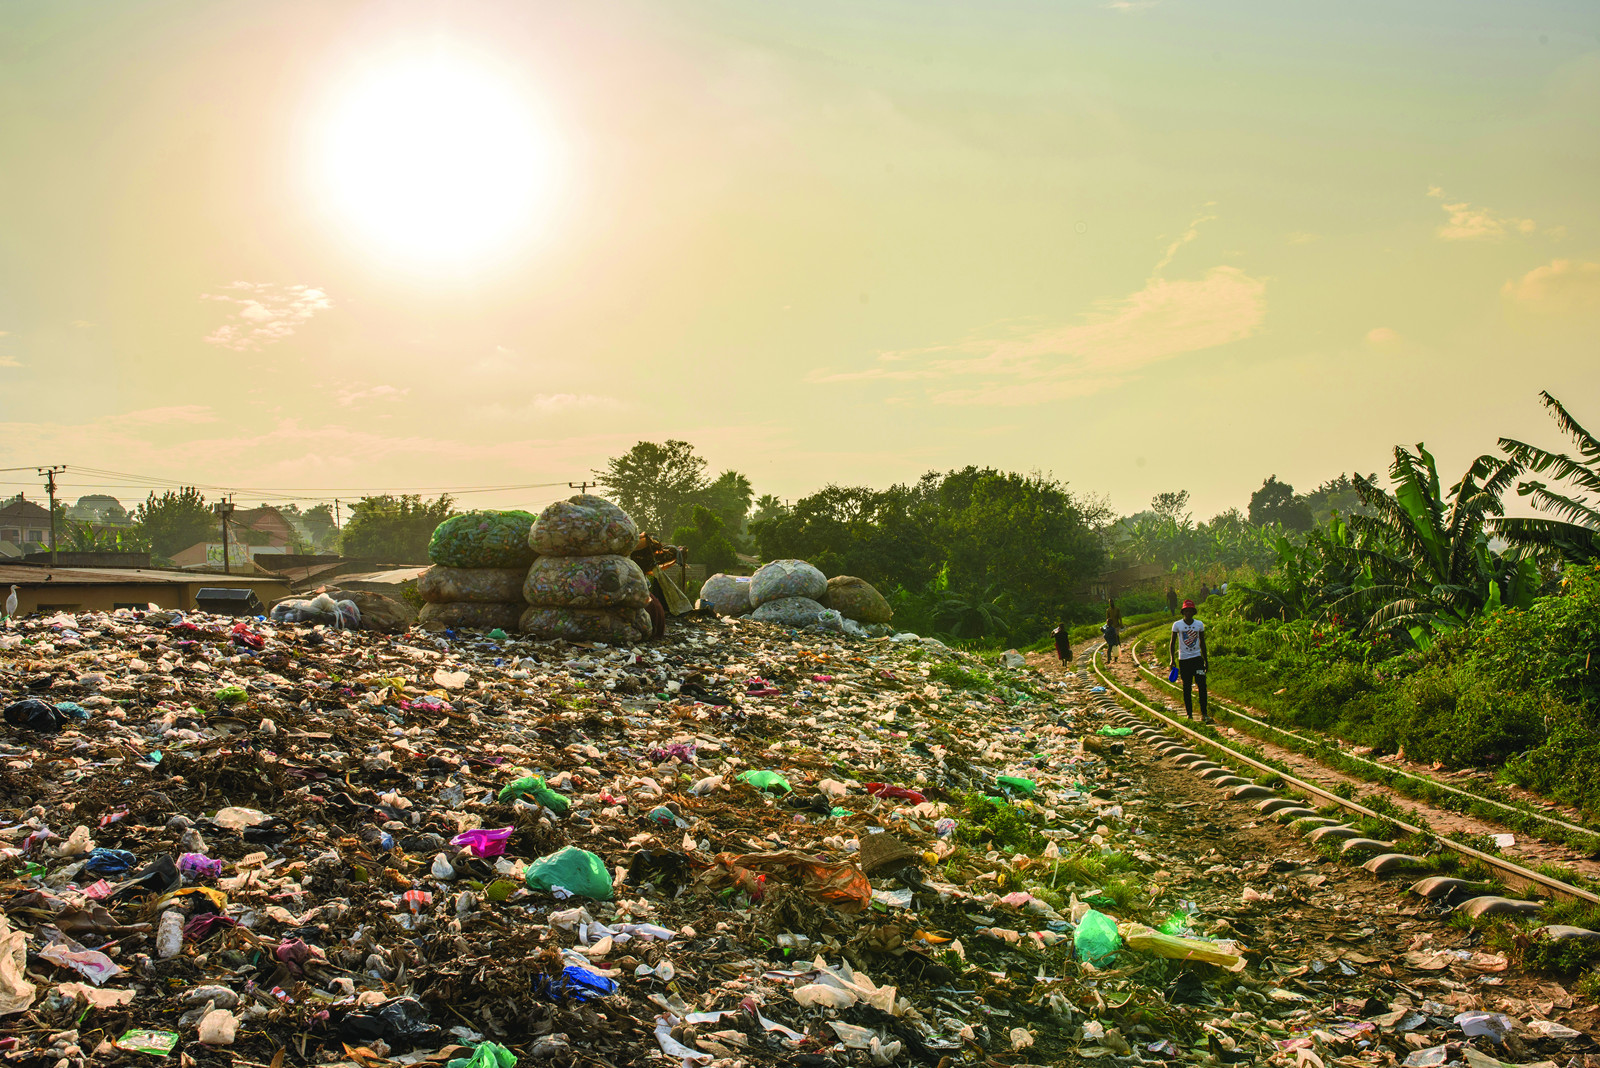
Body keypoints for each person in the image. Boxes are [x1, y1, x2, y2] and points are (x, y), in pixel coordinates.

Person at [1168, 599, 1211, 722]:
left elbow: (1202, 643)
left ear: (1193, 612)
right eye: (1186, 611)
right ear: (1183, 612)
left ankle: (1204, 713)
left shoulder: (1199, 624)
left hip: (1197, 659)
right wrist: (1172, 659)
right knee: (1186, 687)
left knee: (1202, 686)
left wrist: (1205, 660)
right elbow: (1172, 643)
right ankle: (1189, 714)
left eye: (1190, 610)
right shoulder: (1177, 625)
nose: (1188, 613)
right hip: (1184, 660)